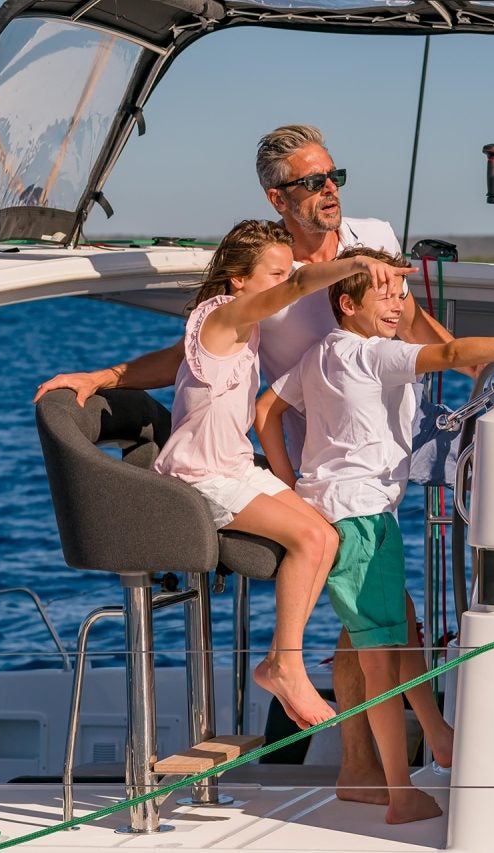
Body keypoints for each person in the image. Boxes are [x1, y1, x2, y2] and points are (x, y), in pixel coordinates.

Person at [33, 124, 460, 802]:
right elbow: (201, 352)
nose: (328, 191)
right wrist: (106, 373)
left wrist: (447, 346)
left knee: (381, 612)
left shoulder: (366, 237)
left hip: (379, 457)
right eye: (312, 182)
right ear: (277, 196)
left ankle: (384, 758)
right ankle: (368, 764)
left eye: (333, 176)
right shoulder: (275, 274)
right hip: (319, 462)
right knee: (376, 612)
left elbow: (409, 327)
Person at [255, 247, 494, 823]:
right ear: (347, 302)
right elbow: (454, 352)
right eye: (382, 295)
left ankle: (440, 738)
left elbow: (265, 410)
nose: (396, 305)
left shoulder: (321, 353)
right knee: (381, 662)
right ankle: (398, 793)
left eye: (400, 295)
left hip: (343, 513)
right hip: (360, 520)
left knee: (401, 631)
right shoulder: (370, 355)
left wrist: (294, 487)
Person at [155, 219, 415, 728]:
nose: (284, 284)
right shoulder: (228, 315)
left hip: (235, 465)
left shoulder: (237, 329)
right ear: (239, 281)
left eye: (284, 273)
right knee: (310, 541)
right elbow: (300, 286)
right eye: (273, 274)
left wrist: (103, 375)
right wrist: (359, 263)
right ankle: (285, 664)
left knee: (325, 532)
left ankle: (283, 659)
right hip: (200, 475)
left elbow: (171, 362)